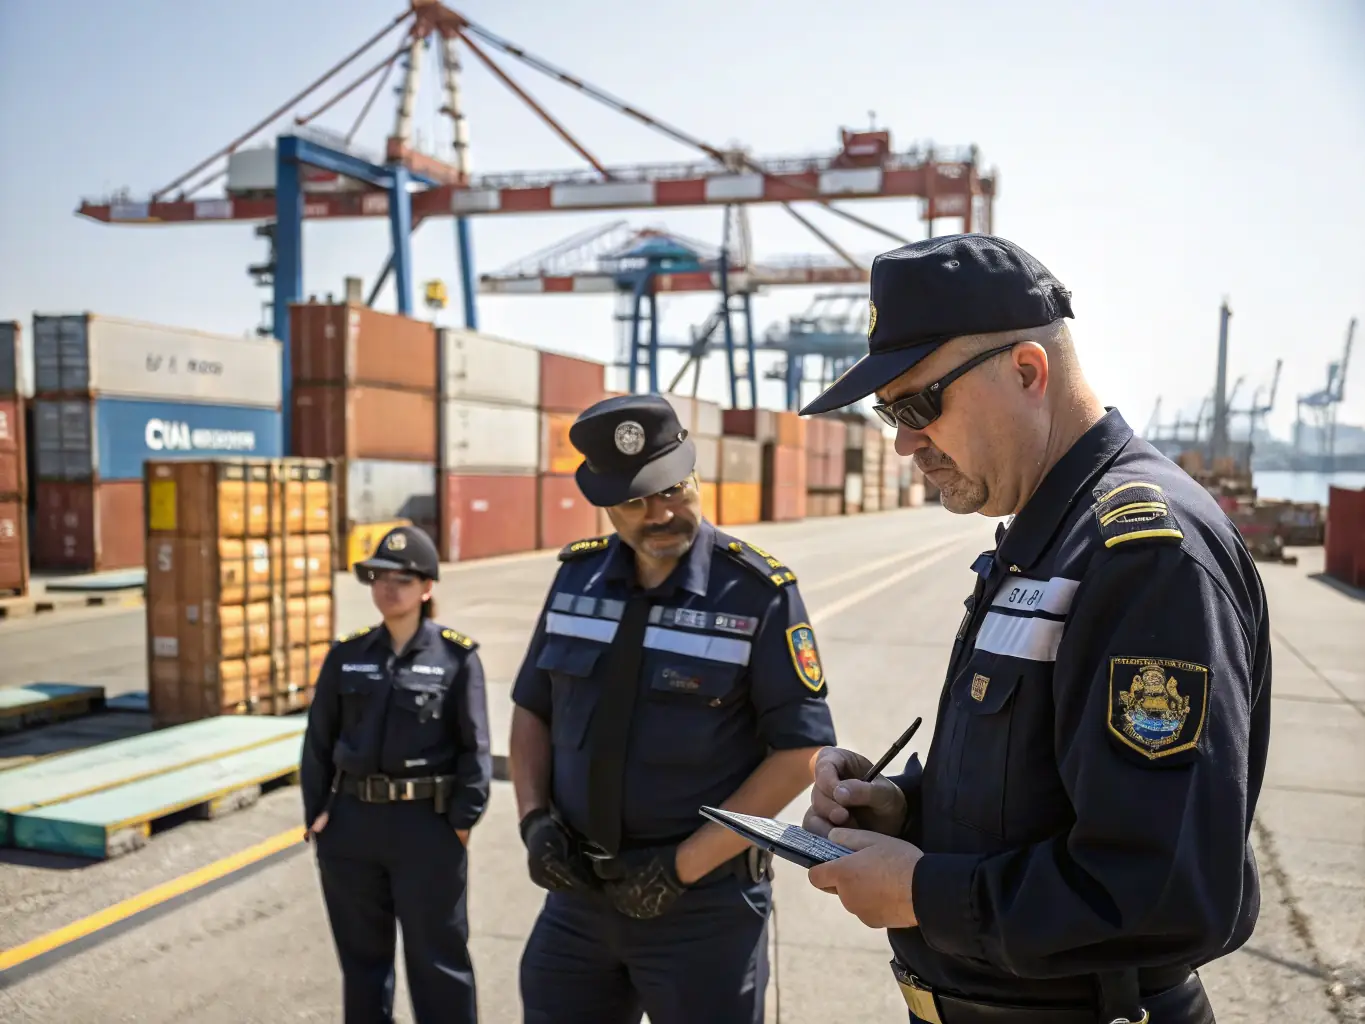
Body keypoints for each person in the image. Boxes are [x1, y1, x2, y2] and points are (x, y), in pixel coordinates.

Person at [796, 234, 1271, 1024]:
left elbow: (1159, 892)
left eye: (917, 405)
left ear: (1026, 372)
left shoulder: (1144, 556)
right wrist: (902, 808)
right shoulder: (1048, 539)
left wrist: (919, 890)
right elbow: (1043, 786)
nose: (904, 442)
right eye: (889, 413)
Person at [509, 392, 838, 1024]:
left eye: (673, 490)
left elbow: (800, 752)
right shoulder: (575, 582)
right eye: (635, 501)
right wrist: (534, 822)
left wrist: (680, 867)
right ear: (605, 503)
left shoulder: (757, 593)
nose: (660, 513)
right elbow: (533, 708)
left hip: (702, 909)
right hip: (579, 898)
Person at [300, 524, 492, 1024]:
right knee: (363, 964)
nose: (388, 588)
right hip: (352, 826)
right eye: (380, 577)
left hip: (426, 827)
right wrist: (318, 814)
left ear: (427, 588)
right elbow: (318, 742)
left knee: (438, 961)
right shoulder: (347, 655)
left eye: (403, 579)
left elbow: (476, 748)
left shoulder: (455, 657)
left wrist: (461, 821)